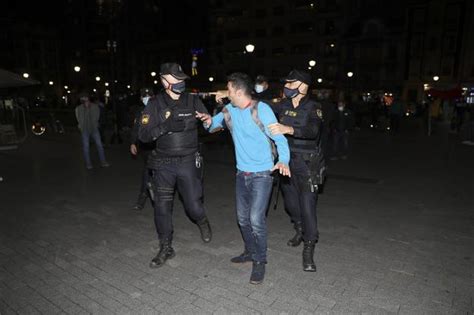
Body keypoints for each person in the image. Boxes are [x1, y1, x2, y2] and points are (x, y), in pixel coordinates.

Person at [196, 72, 291, 285]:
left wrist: (283, 160)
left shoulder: (262, 110)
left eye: (229, 90)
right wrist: (207, 119)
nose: (226, 94)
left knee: (256, 219)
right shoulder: (229, 110)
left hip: (262, 174)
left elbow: (280, 138)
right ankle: (249, 251)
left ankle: (260, 260)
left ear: (238, 91)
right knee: (242, 219)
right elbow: (211, 127)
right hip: (242, 173)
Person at [138, 62, 212, 268]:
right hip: (163, 163)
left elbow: (208, 122)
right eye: (175, 79)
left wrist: (207, 120)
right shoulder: (154, 105)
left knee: (193, 205)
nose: (180, 83)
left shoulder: (192, 100)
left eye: (182, 79)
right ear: (164, 81)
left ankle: (202, 220)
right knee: (162, 207)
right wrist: (164, 127)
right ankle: (166, 247)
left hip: (188, 161)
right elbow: (143, 136)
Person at [267, 69, 323, 272]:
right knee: (291, 204)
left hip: (307, 164)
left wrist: (288, 129)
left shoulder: (314, 107)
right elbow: (261, 106)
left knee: (307, 205)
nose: (287, 87)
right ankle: (299, 229)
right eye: (287, 84)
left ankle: (309, 246)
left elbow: (313, 131)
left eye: (292, 84)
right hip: (286, 162)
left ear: (304, 86)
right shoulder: (282, 105)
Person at [130, 88, 156, 210]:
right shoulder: (140, 112)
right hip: (146, 147)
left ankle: (154, 198)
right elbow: (136, 128)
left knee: (158, 172)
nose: (147, 98)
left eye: (149, 96)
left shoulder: (159, 109)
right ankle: (144, 196)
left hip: (159, 146)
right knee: (148, 171)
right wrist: (132, 143)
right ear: (141, 98)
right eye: (144, 96)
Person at [75, 93, 110, 170]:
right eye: (83, 99)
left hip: (94, 129)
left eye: (86, 99)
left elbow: (96, 118)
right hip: (84, 130)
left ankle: (103, 162)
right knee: (86, 147)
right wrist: (81, 127)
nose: (85, 101)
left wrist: (88, 109)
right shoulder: (78, 108)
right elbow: (80, 120)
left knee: (99, 145)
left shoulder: (95, 107)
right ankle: (88, 163)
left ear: (88, 99)